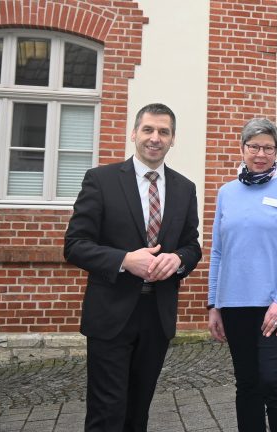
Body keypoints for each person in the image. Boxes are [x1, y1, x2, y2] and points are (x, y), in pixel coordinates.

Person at [64, 103, 202, 431]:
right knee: (107, 412)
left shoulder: (185, 188)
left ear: (172, 140)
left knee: (138, 412)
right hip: (111, 313)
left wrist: (179, 260)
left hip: (157, 314)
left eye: (163, 132)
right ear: (134, 134)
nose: (155, 138)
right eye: (148, 130)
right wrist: (125, 260)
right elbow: (75, 245)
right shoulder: (102, 180)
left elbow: (191, 245)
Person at [207, 118, 277, 432]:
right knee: (247, 383)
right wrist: (214, 303)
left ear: (276, 151)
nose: (260, 153)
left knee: (273, 379)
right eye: (254, 146)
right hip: (235, 303)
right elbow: (217, 251)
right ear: (242, 149)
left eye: (268, 147)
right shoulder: (226, 193)